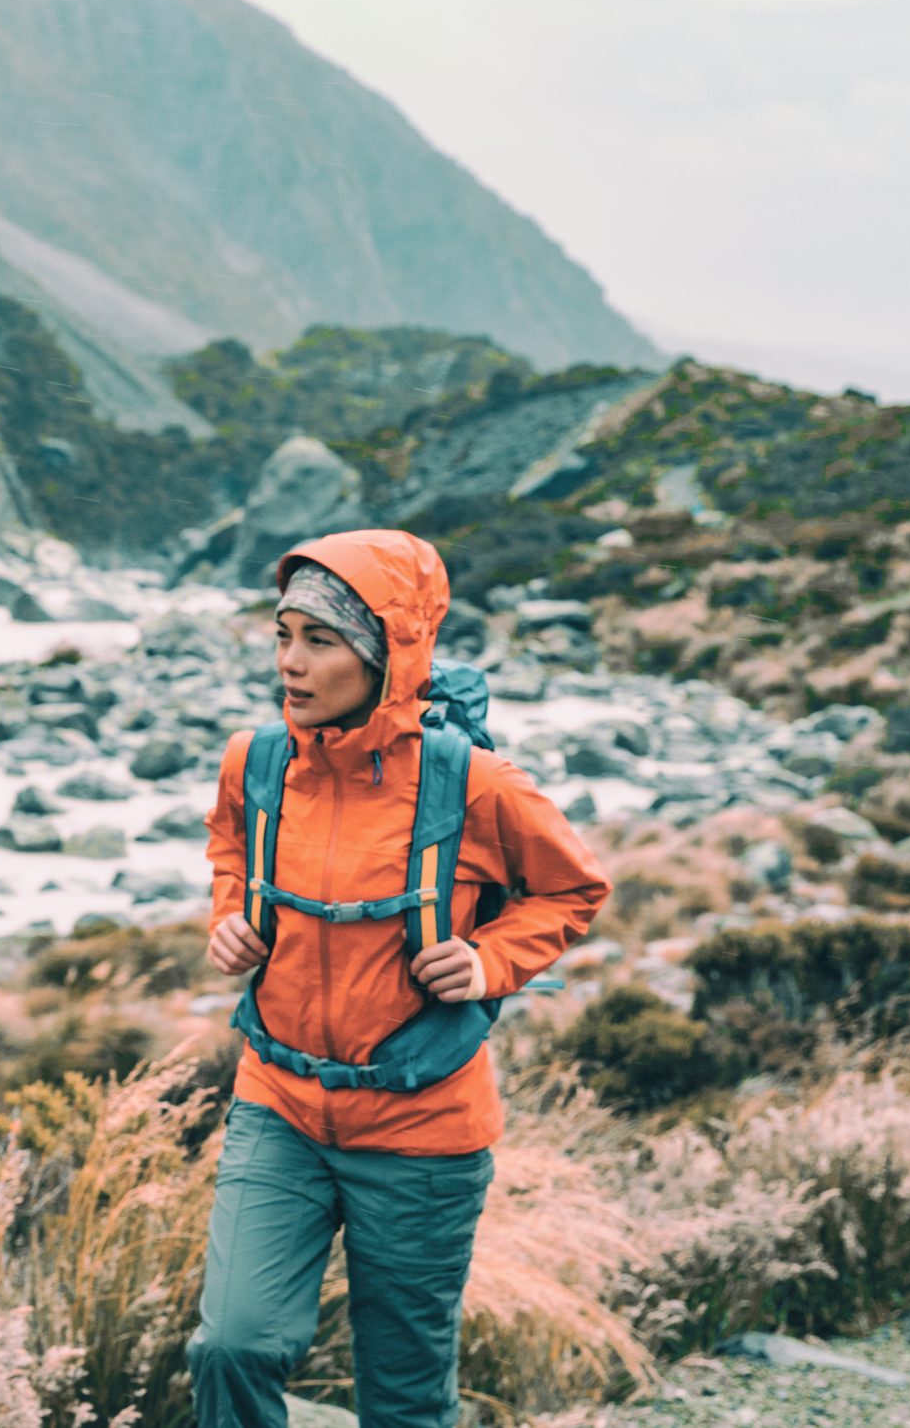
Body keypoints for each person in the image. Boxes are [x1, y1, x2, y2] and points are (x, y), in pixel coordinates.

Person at [187, 531, 609, 1427]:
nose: (290, 664)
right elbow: (231, 841)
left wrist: (492, 960)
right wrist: (230, 913)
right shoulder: (256, 760)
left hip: (425, 1128)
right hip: (280, 1102)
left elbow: (574, 888)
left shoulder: (479, 783)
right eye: (282, 633)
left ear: (386, 653)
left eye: (321, 641)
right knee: (232, 1342)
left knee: (405, 1396)